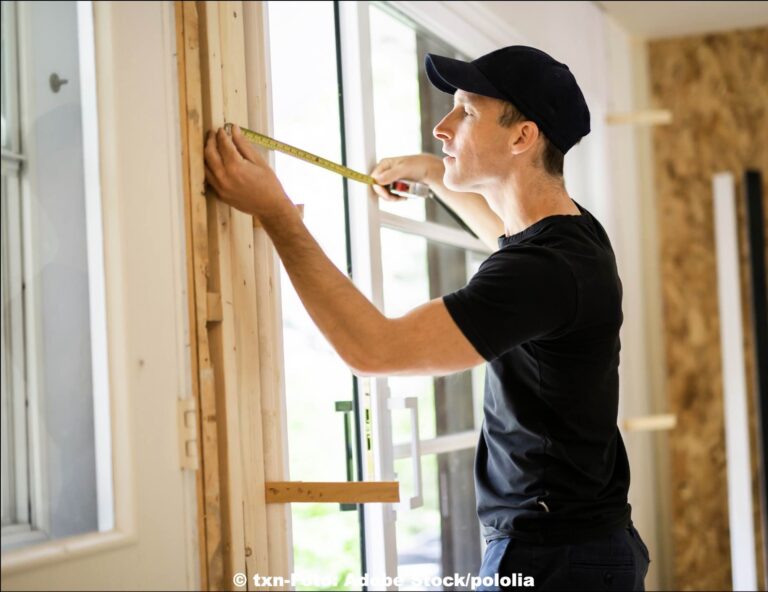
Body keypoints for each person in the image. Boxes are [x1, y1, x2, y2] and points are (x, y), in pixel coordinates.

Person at [204, 44, 650, 591]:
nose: (442, 126)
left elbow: (375, 350)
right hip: (578, 543)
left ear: (521, 137)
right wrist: (436, 176)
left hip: (555, 556)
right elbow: (503, 237)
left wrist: (277, 215)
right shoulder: (571, 235)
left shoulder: (545, 269)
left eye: (465, 111)